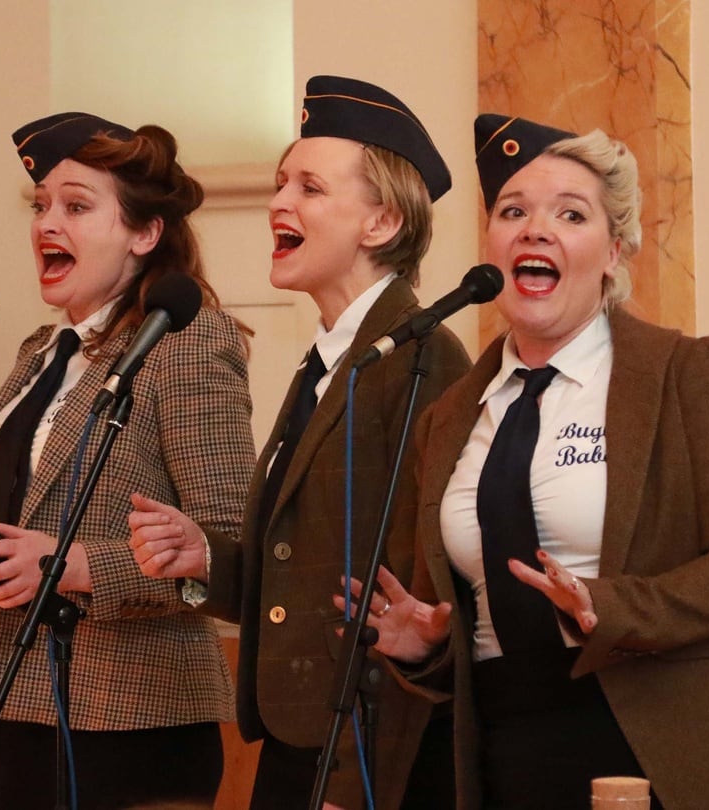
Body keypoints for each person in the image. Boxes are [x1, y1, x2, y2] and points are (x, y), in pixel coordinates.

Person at [345, 114, 709, 809]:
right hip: (503, 749)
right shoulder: (447, 417)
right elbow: (457, 611)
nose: (535, 229)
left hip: (662, 746)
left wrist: (605, 604)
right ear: (491, 248)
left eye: (570, 215)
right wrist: (427, 643)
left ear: (613, 252)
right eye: (513, 211)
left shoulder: (686, 372)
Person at [0, 112, 255, 810]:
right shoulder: (36, 354)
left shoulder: (190, 344)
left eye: (77, 206)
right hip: (18, 708)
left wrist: (75, 567)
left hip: (138, 721)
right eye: (41, 205)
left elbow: (230, 554)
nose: (48, 223)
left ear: (145, 234)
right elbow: (21, 529)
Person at [126, 76, 472, 809]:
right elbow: (299, 571)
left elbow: (413, 593)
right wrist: (205, 557)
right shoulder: (325, 363)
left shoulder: (421, 358)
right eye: (281, 182)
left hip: (366, 755)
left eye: (309, 188)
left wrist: (353, 777)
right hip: (298, 738)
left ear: (379, 223)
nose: (278, 203)